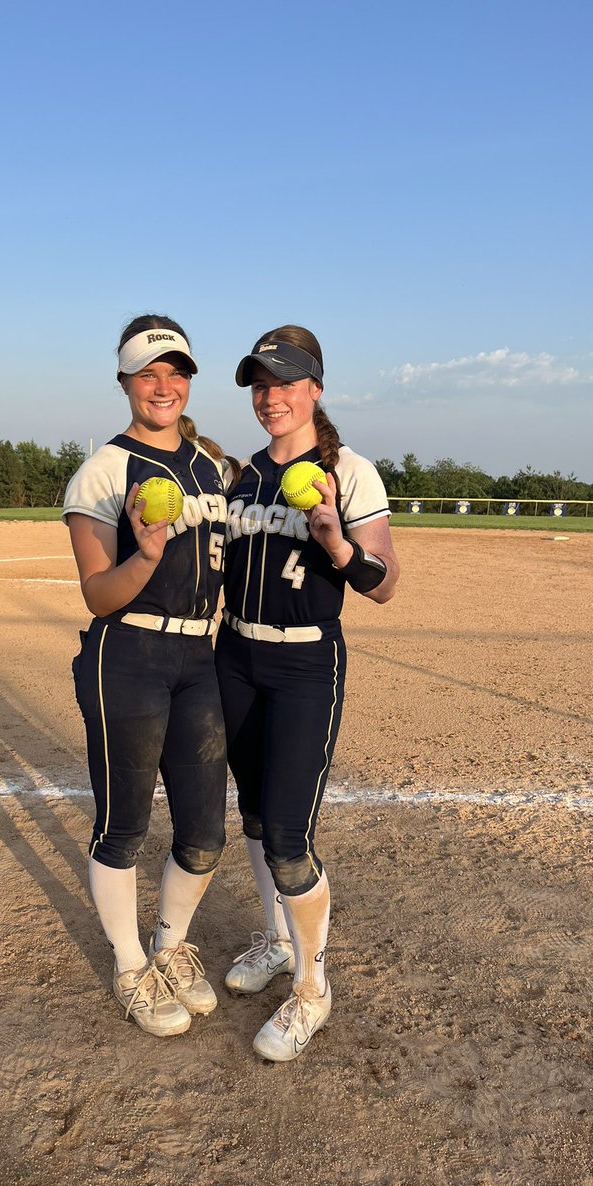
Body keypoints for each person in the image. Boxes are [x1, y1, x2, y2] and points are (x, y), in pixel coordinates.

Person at [215, 324, 400, 1062]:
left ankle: (313, 992)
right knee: (256, 819)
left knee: (291, 838)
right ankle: (275, 943)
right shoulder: (244, 476)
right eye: (260, 385)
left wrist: (336, 542)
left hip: (304, 666)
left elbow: (384, 585)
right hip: (236, 658)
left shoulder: (349, 471)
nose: (270, 398)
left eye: (285, 383)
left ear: (316, 388)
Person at [62, 314, 233, 1038]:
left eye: (176, 372)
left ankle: (170, 945)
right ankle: (130, 963)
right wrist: (148, 556)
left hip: (201, 659)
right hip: (126, 655)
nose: (163, 385)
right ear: (125, 381)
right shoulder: (105, 469)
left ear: (189, 380)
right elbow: (98, 593)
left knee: (203, 831)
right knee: (124, 825)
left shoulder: (212, 468)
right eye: (147, 372)